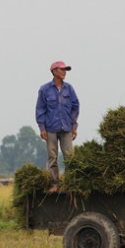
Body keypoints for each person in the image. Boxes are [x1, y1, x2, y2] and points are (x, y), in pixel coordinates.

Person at [35, 60, 80, 192]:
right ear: (54, 71)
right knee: (52, 157)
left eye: (65, 69)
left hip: (66, 128)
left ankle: (70, 183)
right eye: (62, 69)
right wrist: (42, 128)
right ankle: (55, 184)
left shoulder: (69, 89)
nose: (64, 72)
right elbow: (40, 109)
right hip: (50, 129)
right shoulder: (44, 90)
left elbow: (75, 107)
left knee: (69, 157)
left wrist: (74, 126)